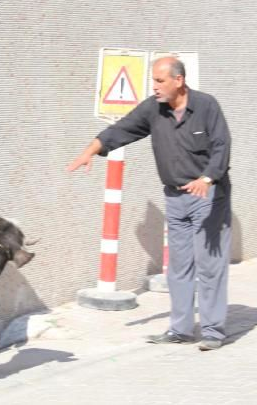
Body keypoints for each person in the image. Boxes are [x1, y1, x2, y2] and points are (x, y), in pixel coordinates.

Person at [68, 57, 232, 351]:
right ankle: (181, 329)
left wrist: (206, 179)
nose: (154, 87)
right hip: (175, 197)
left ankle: (212, 331)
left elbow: (222, 146)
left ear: (178, 81)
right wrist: (89, 151)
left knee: (210, 266)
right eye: (152, 81)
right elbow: (122, 129)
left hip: (208, 197)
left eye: (159, 81)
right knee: (179, 268)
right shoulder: (153, 109)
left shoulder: (207, 106)